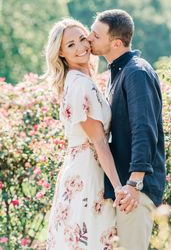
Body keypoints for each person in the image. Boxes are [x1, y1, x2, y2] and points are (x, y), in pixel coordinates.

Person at [87, 9, 166, 250]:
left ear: (117, 43)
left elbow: (144, 129)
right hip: (123, 188)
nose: (89, 38)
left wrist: (135, 183)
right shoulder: (118, 72)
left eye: (96, 35)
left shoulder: (136, 72)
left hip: (135, 191)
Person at [44, 18, 122, 250]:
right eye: (71, 45)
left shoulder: (82, 80)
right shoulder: (80, 85)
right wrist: (119, 187)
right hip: (89, 174)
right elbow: (98, 140)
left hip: (82, 169)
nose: (81, 47)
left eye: (82, 39)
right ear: (60, 53)